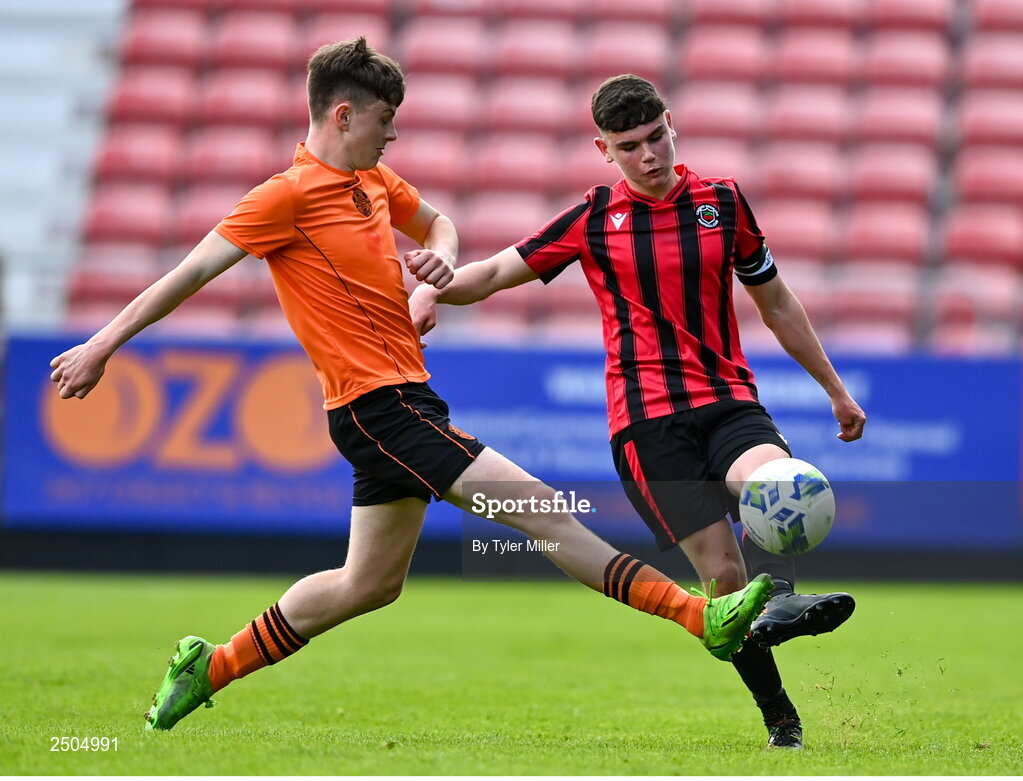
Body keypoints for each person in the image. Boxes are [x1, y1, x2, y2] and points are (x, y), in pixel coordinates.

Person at [49, 43, 775, 732]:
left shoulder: (370, 183)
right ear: (343, 115)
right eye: (383, 121)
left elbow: (439, 223)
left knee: (368, 583)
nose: (391, 136)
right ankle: (697, 616)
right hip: (377, 406)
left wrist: (437, 266)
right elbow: (190, 273)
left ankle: (210, 664)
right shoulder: (284, 197)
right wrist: (100, 346)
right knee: (543, 511)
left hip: (402, 401)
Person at [409, 74, 867, 750]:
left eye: (656, 137)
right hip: (646, 427)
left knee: (779, 485)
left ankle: (778, 598)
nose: (648, 155)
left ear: (670, 125)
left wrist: (833, 387)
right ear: (604, 149)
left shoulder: (723, 202)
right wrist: (435, 288)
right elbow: (496, 272)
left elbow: (774, 302)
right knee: (720, 581)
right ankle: (781, 719)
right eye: (630, 146)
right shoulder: (593, 217)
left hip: (727, 401)